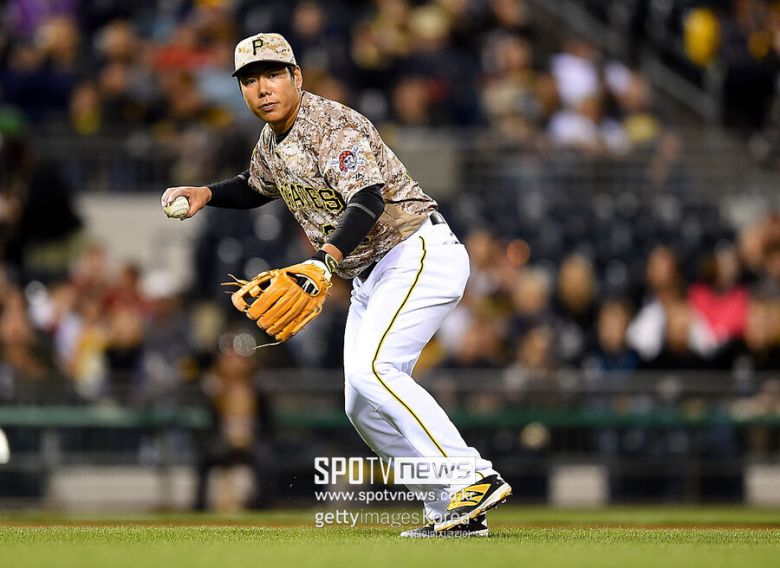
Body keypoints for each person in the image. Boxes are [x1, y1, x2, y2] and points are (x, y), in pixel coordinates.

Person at [161, 32, 511, 537]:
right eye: (251, 80)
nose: (263, 87)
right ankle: (452, 509)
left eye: (274, 74)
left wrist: (325, 260)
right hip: (371, 273)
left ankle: (471, 475)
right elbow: (255, 186)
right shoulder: (271, 142)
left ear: (297, 77)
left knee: (375, 370)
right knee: (360, 404)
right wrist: (206, 194)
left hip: (415, 251)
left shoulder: (331, 125)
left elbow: (367, 199)